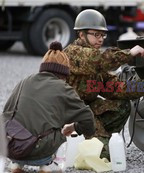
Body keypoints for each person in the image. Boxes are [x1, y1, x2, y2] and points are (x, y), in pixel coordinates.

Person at [63, 9, 144, 160]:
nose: (100, 39)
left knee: (122, 106)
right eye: (96, 34)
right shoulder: (73, 53)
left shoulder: (96, 64)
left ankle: (96, 137)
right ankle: (77, 140)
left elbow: (116, 88)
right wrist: (128, 53)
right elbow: (99, 60)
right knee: (103, 156)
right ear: (81, 34)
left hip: (85, 112)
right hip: (67, 113)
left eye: (102, 35)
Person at [2, 41, 95, 173]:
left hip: (10, 146)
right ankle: (47, 166)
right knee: (59, 130)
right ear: (64, 73)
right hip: (39, 151)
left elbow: (6, 114)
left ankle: (17, 165)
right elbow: (87, 116)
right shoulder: (64, 88)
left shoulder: (25, 81)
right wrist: (77, 128)